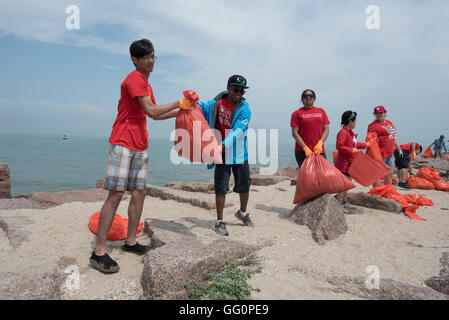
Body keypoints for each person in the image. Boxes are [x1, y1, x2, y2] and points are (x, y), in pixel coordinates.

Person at [90, 39, 194, 274]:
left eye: (153, 56)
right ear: (134, 60)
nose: (151, 61)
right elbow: (151, 110)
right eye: (146, 57)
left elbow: (155, 116)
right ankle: (98, 252)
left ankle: (130, 242)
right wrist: (180, 102)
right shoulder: (134, 79)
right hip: (122, 142)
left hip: (140, 144)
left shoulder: (146, 84)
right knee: (115, 194)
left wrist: (185, 111)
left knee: (139, 194)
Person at [197, 75, 252, 236]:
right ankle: (219, 221)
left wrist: (223, 146)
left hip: (239, 154)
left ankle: (242, 213)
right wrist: (191, 102)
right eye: (236, 89)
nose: (239, 93)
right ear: (228, 88)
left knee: (244, 185)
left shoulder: (245, 109)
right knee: (221, 187)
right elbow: (202, 107)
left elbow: (237, 131)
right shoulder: (217, 102)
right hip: (221, 154)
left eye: (242, 91)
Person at [334, 111, 368, 213]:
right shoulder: (343, 132)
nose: (356, 122)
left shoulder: (350, 133)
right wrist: (351, 151)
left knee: (348, 183)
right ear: (350, 121)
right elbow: (339, 146)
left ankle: (344, 202)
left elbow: (355, 144)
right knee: (344, 184)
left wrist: (366, 145)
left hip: (349, 162)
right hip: (344, 162)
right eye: (355, 121)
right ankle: (339, 204)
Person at [291, 89, 330, 168]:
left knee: (322, 175)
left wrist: (320, 143)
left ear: (314, 98)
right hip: (302, 151)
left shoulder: (321, 111)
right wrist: (305, 148)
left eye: (311, 96)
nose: (308, 97)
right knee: (306, 176)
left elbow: (326, 129)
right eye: (305, 96)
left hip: (319, 150)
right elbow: (295, 133)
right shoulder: (296, 113)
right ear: (302, 99)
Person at [367, 106, 402, 186]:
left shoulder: (389, 123)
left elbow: (392, 137)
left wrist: (399, 149)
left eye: (381, 113)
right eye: (377, 113)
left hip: (389, 153)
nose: (379, 115)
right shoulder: (373, 126)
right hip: (379, 155)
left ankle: (387, 191)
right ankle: (376, 192)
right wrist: (374, 156)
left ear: (385, 113)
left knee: (389, 174)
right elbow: (371, 142)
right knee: (377, 175)